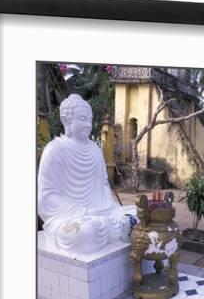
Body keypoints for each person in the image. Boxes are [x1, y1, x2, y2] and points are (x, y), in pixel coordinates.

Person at [37, 94, 134, 254]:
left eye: (89, 119)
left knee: (133, 216)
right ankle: (104, 229)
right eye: (82, 119)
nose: (88, 124)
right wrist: (84, 212)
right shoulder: (55, 150)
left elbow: (103, 185)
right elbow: (47, 198)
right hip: (70, 216)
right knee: (83, 234)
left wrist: (111, 207)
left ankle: (108, 226)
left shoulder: (95, 149)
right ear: (67, 120)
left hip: (102, 209)